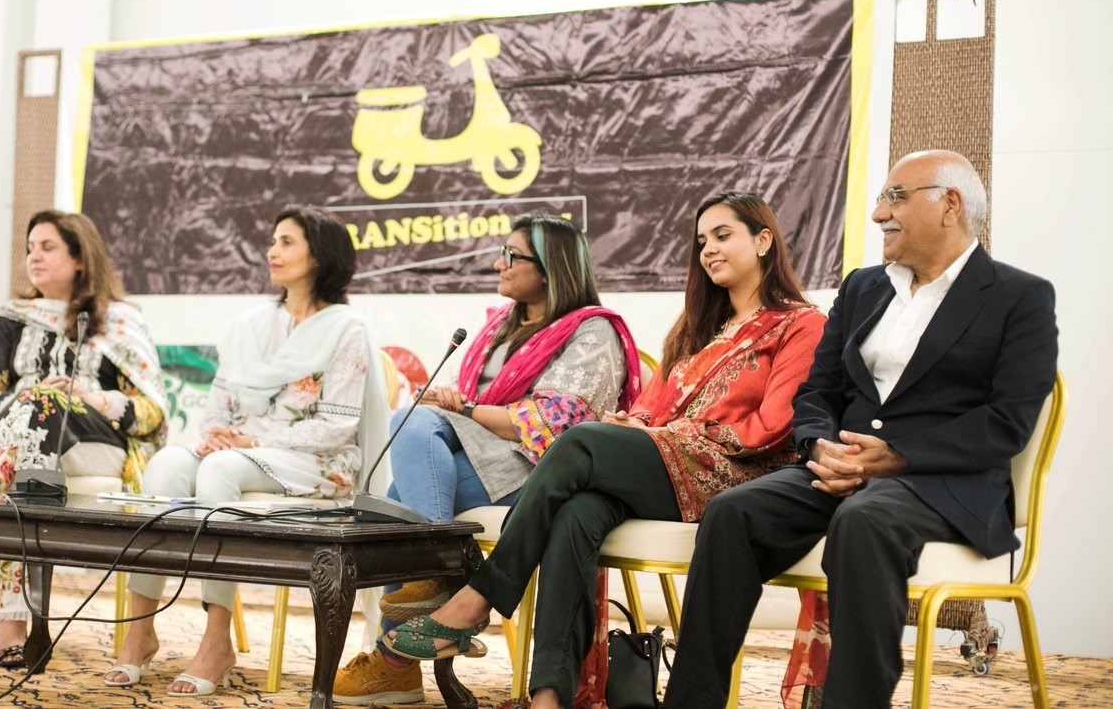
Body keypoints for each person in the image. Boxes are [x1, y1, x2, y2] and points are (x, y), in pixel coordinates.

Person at [384, 192, 827, 709]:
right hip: (667, 466)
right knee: (576, 513)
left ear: (764, 240)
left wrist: (666, 434)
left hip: (735, 476)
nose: (708, 249)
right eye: (702, 240)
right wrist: (631, 423)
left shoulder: (800, 324)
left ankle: (478, 596)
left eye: (723, 236)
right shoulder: (698, 330)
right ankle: (550, 696)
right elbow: (650, 409)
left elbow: (775, 426)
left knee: (579, 440)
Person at [662, 151, 1059, 709]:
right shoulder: (862, 288)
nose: (878, 214)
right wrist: (818, 444)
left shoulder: (1019, 297)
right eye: (880, 199)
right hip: (840, 469)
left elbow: (1006, 422)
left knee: (864, 520)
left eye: (896, 197)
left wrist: (896, 455)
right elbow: (817, 392)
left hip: (942, 483)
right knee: (732, 513)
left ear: (950, 204)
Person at [334, 212, 642, 706]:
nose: (499, 263)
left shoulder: (591, 331)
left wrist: (467, 410)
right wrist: (455, 402)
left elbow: (558, 423)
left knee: (400, 486)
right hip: (480, 452)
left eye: (511, 255)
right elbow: (475, 404)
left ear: (551, 268)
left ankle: (397, 656)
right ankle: (436, 584)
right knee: (408, 448)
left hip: (543, 468)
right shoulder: (501, 325)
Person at [102, 205, 388, 697]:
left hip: (318, 462)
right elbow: (218, 407)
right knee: (167, 464)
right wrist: (217, 433)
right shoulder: (249, 325)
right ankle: (140, 629)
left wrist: (251, 441)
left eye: (287, 242)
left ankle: (217, 640)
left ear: (319, 256)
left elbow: (336, 428)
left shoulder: (347, 328)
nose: (272, 251)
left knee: (219, 470)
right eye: (273, 240)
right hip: (241, 449)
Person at [0, 210, 167, 669]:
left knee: (41, 407)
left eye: (47, 247)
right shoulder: (7, 320)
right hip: (19, 446)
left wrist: (93, 397)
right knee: (33, 425)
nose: (34, 256)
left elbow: (152, 413)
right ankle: (16, 619)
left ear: (80, 258)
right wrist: (25, 401)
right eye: (30, 247)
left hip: (94, 447)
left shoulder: (121, 322)